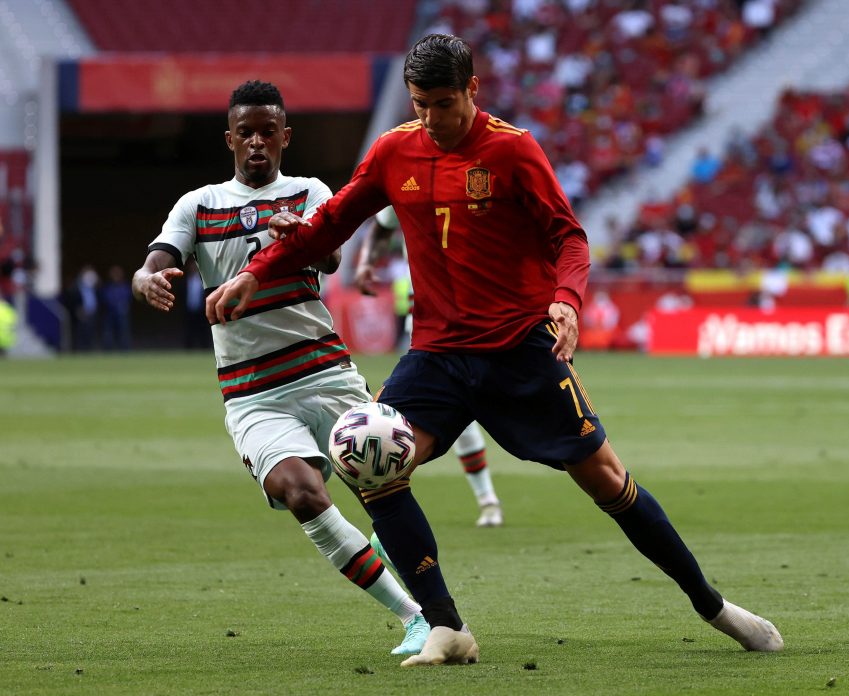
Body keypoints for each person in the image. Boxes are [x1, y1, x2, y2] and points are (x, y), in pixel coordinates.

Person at [208, 36, 783, 666]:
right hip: (437, 355)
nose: (431, 118)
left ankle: (713, 606)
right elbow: (331, 224)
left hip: (520, 351)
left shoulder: (512, 150)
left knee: (608, 481)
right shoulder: (395, 149)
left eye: (444, 103)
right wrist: (256, 272)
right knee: (371, 461)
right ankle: (447, 627)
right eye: (420, 104)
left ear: (473, 90)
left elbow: (569, 236)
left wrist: (566, 299)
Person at [133, 80, 428, 656]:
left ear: (285, 137)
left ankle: (389, 539)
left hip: (326, 373)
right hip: (252, 393)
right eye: (246, 132)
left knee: (388, 477)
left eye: (269, 131)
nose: (258, 142)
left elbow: (331, 256)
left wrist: (301, 237)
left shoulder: (309, 192)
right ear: (230, 140)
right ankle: (412, 615)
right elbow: (157, 260)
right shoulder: (198, 205)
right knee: (301, 493)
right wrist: (146, 279)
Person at [355, 205, 503, 528]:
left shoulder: (476, 187)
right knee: (399, 419)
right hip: (426, 330)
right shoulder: (410, 183)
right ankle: (483, 500)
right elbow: (381, 224)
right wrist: (367, 262)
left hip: (482, 324)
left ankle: (395, 513)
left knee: (478, 416)